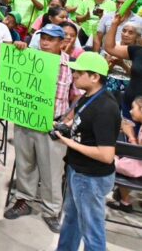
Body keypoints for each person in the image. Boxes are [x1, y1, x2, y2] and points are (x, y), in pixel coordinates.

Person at [4, 23, 74, 233]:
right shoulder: (28, 57)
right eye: (43, 37)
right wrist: (16, 47)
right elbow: (5, 63)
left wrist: (66, 122)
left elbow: (78, 97)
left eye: (51, 39)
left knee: (52, 170)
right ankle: (23, 200)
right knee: (25, 164)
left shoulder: (70, 65)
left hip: (52, 124)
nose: (45, 42)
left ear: (62, 42)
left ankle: (51, 210)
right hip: (26, 118)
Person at [54, 52, 121, 251]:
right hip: (78, 171)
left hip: (90, 177)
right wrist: (63, 126)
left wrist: (69, 142)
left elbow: (106, 155)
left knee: (92, 232)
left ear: (95, 76)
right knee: (72, 222)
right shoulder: (88, 96)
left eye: (79, 72)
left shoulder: (106, 108)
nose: (74, 75)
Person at [104, 9, 142, 120]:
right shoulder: (137, 51)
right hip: (129, 105)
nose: (126, 35)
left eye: (131, 32)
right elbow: (110, 47)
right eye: (124, 31)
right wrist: (115, 24)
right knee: (129, 136)